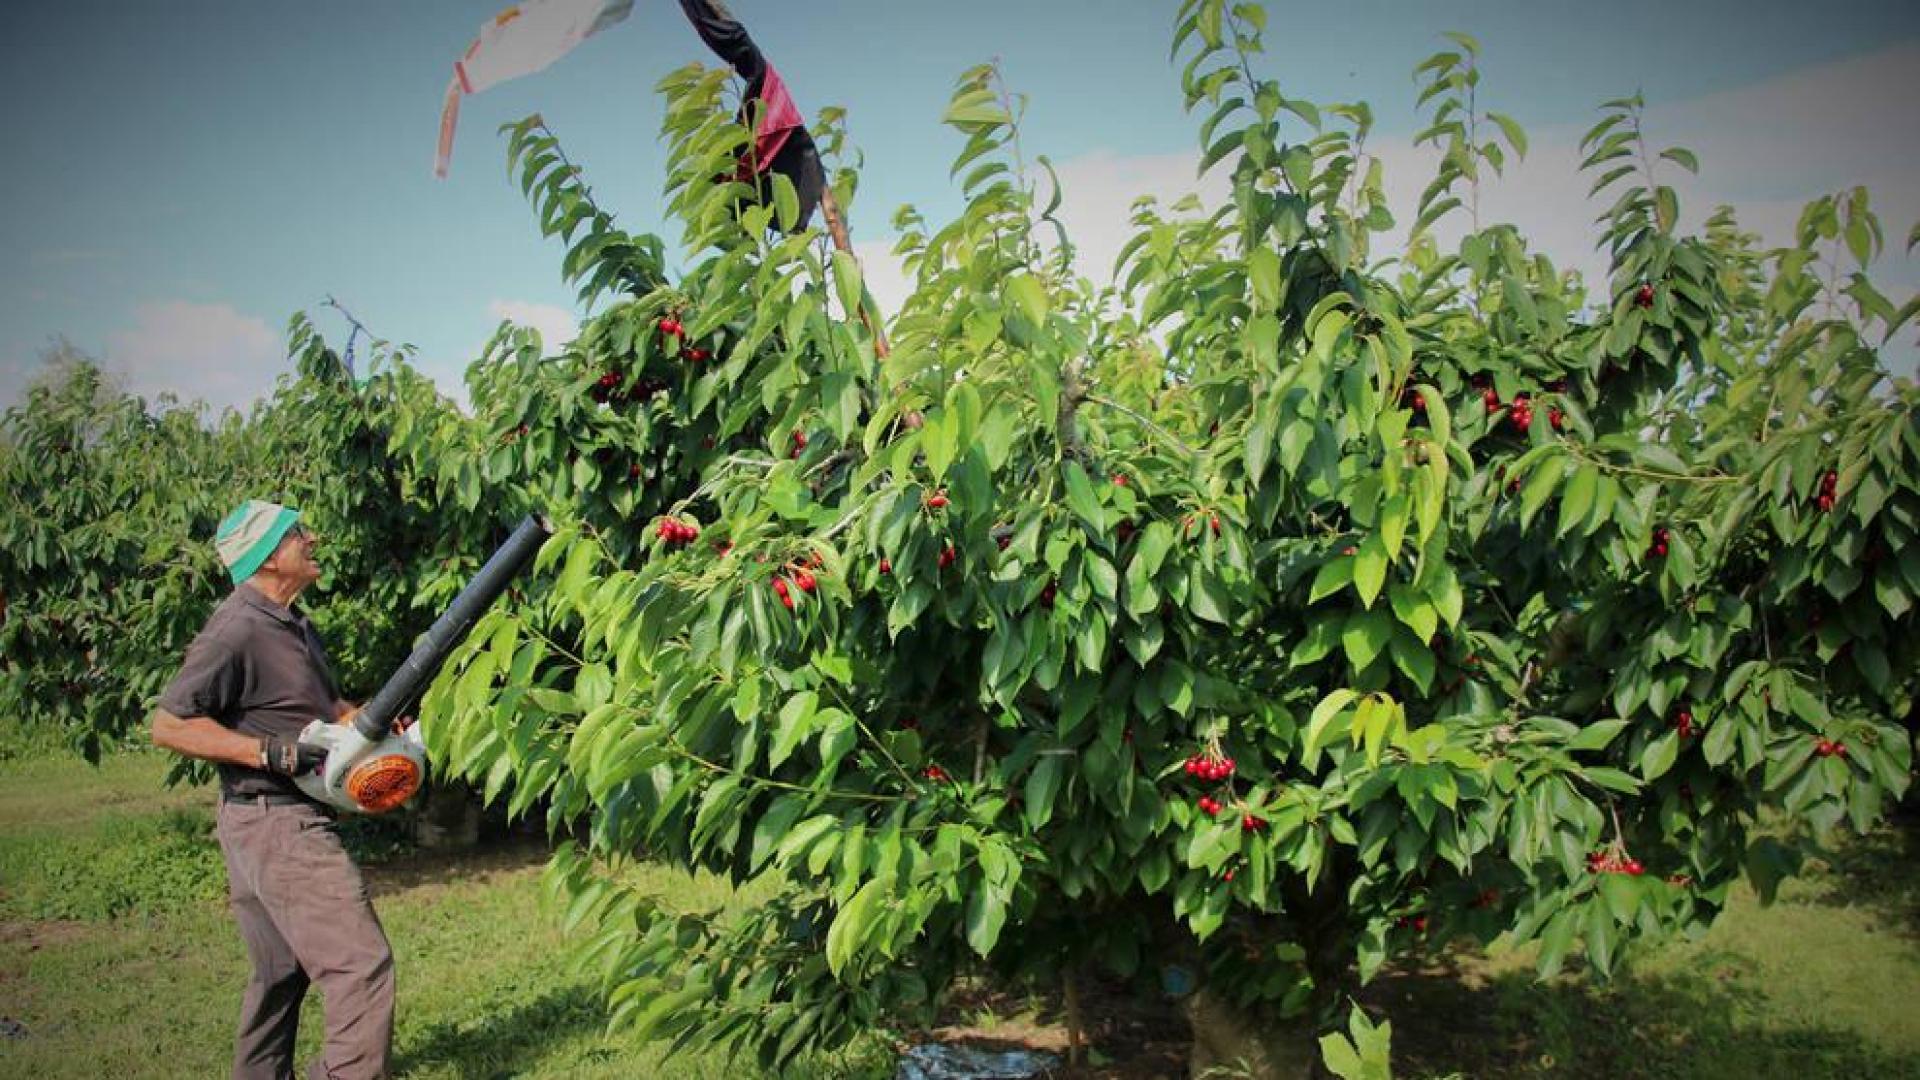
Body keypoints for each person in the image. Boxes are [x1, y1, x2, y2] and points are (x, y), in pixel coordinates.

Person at [150, 499, 394, 1080]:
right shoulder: (236, 629)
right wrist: (262, 752)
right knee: (360, 965)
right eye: (296, 533)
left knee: (281, 967)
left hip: (263, 820)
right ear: (266, 558)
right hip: (276, 821)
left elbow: (320, 708)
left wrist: (369, 727)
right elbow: (169, 724)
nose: (312, 538)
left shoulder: (294, 626)